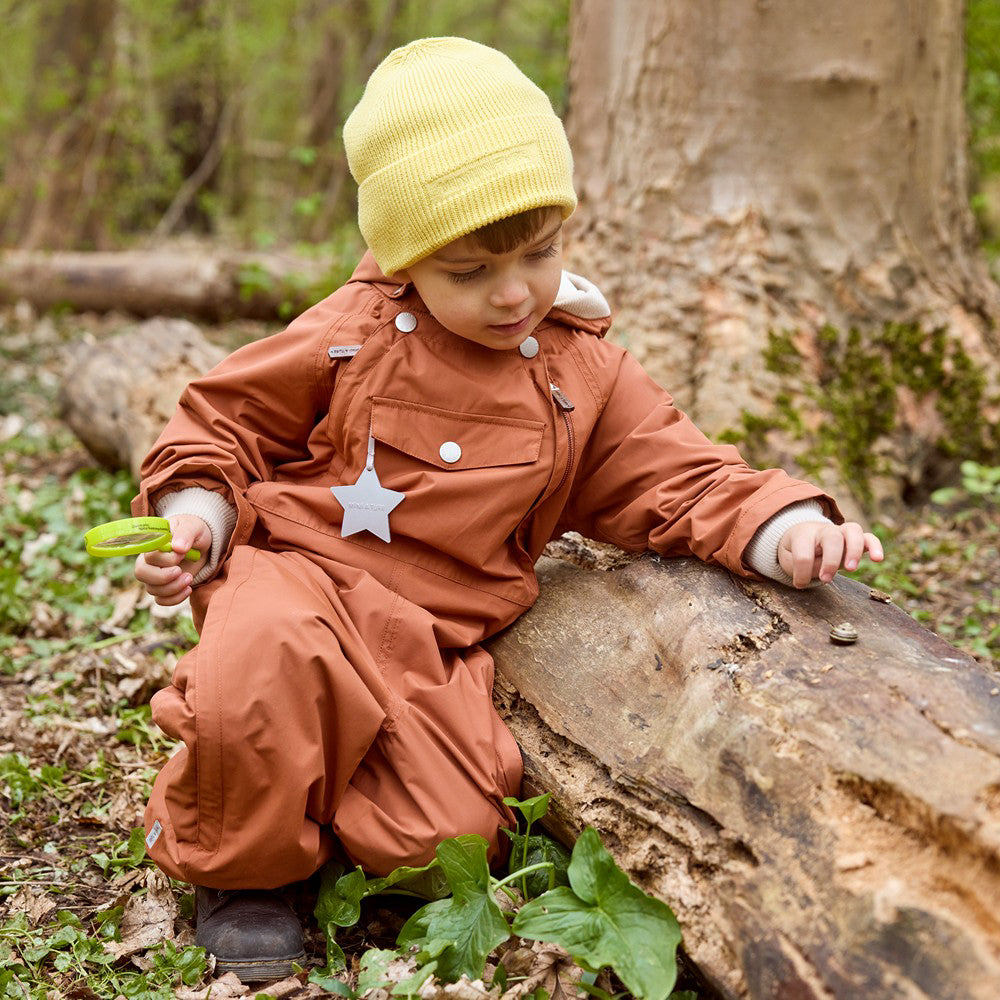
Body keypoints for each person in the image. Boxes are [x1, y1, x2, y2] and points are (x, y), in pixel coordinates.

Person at [131, 37, 883, 982]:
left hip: (434, 634)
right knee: (261, 666)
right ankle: (240, 870)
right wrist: (197, 515)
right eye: (470, 270)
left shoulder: (581, 373)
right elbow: (223, 420)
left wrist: (783, 528)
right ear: (408, 260)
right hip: (304, 572)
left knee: (443, 839)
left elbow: (676, 477)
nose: (513, 291)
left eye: (538, 254)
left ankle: (313, 799)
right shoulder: (351, 333)